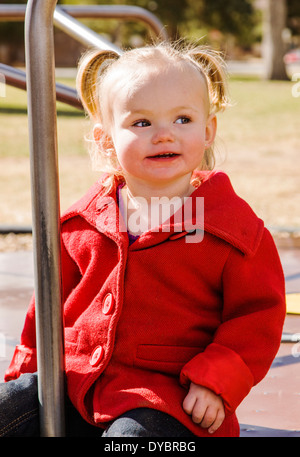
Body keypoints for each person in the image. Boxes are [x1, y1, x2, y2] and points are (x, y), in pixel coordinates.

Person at [0, 41, 285, 437]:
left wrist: (215, 382)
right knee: (8, 407)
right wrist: (27, 373)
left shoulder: (230, 229)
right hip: (77, 385)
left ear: (208, 130)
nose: (164, 135)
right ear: (105, 140)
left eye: (183, 119)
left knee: (130, 441)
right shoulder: (81, 223)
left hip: (169, 401)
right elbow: (46, 310)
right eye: (142, 123)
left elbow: (258, 316)